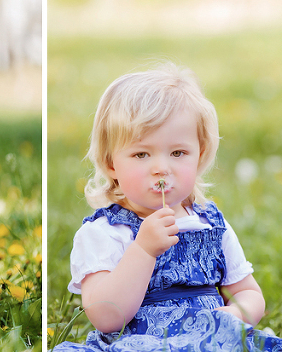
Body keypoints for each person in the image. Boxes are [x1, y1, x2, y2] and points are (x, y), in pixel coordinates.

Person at [54, 62, 281, 351]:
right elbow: (106, 316)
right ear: (112, 163)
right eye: (141, 154)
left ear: (199, 156)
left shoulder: (210, 225)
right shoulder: (105, 232)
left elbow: (248, 292)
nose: (161, 168)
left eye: (178, 152)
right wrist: (144, 250)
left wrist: (237, 313)